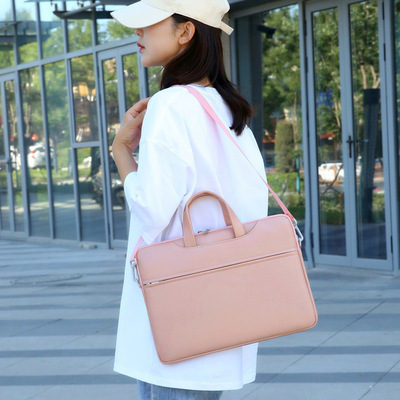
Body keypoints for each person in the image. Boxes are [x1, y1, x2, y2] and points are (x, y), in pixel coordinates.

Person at [111, 1, 269, 399]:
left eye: (149, 23)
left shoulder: (171, 104)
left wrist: (121, 152)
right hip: (225, 311)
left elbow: (152, 210)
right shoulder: (228, 110)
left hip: (178, 316)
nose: (138, 33)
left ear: (185, 32)